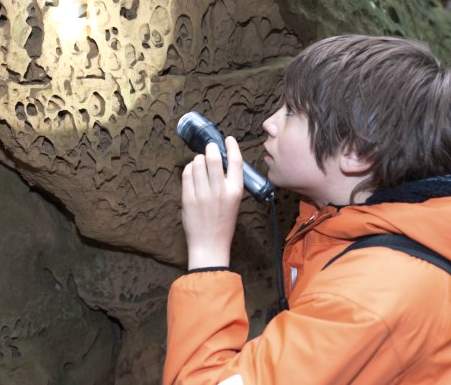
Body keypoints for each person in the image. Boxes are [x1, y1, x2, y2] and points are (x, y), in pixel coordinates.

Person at [163, 35, 451, 384]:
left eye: (292, 112)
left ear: (356, 152)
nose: (270, 122)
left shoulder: (365, 300)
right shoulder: (350, 220)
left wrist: (208, 251)